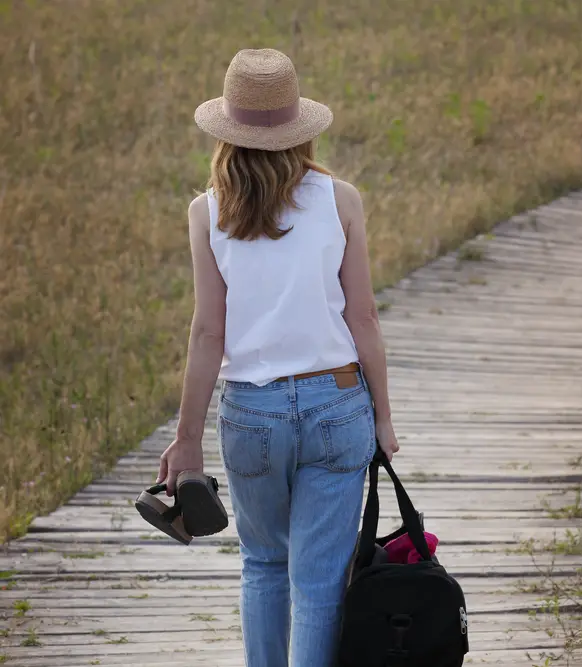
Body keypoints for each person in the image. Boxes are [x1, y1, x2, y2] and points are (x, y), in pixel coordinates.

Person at [155, 47, 399, 666]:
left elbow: (209, 332)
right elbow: (363, 316)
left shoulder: (207, 213)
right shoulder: (340, 200)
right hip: (338, 403)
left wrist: (186, 439)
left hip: (253, 414)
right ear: (299, 130)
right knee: (317, 580)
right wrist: (385, 418)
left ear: (225, 132)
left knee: (264, 564)